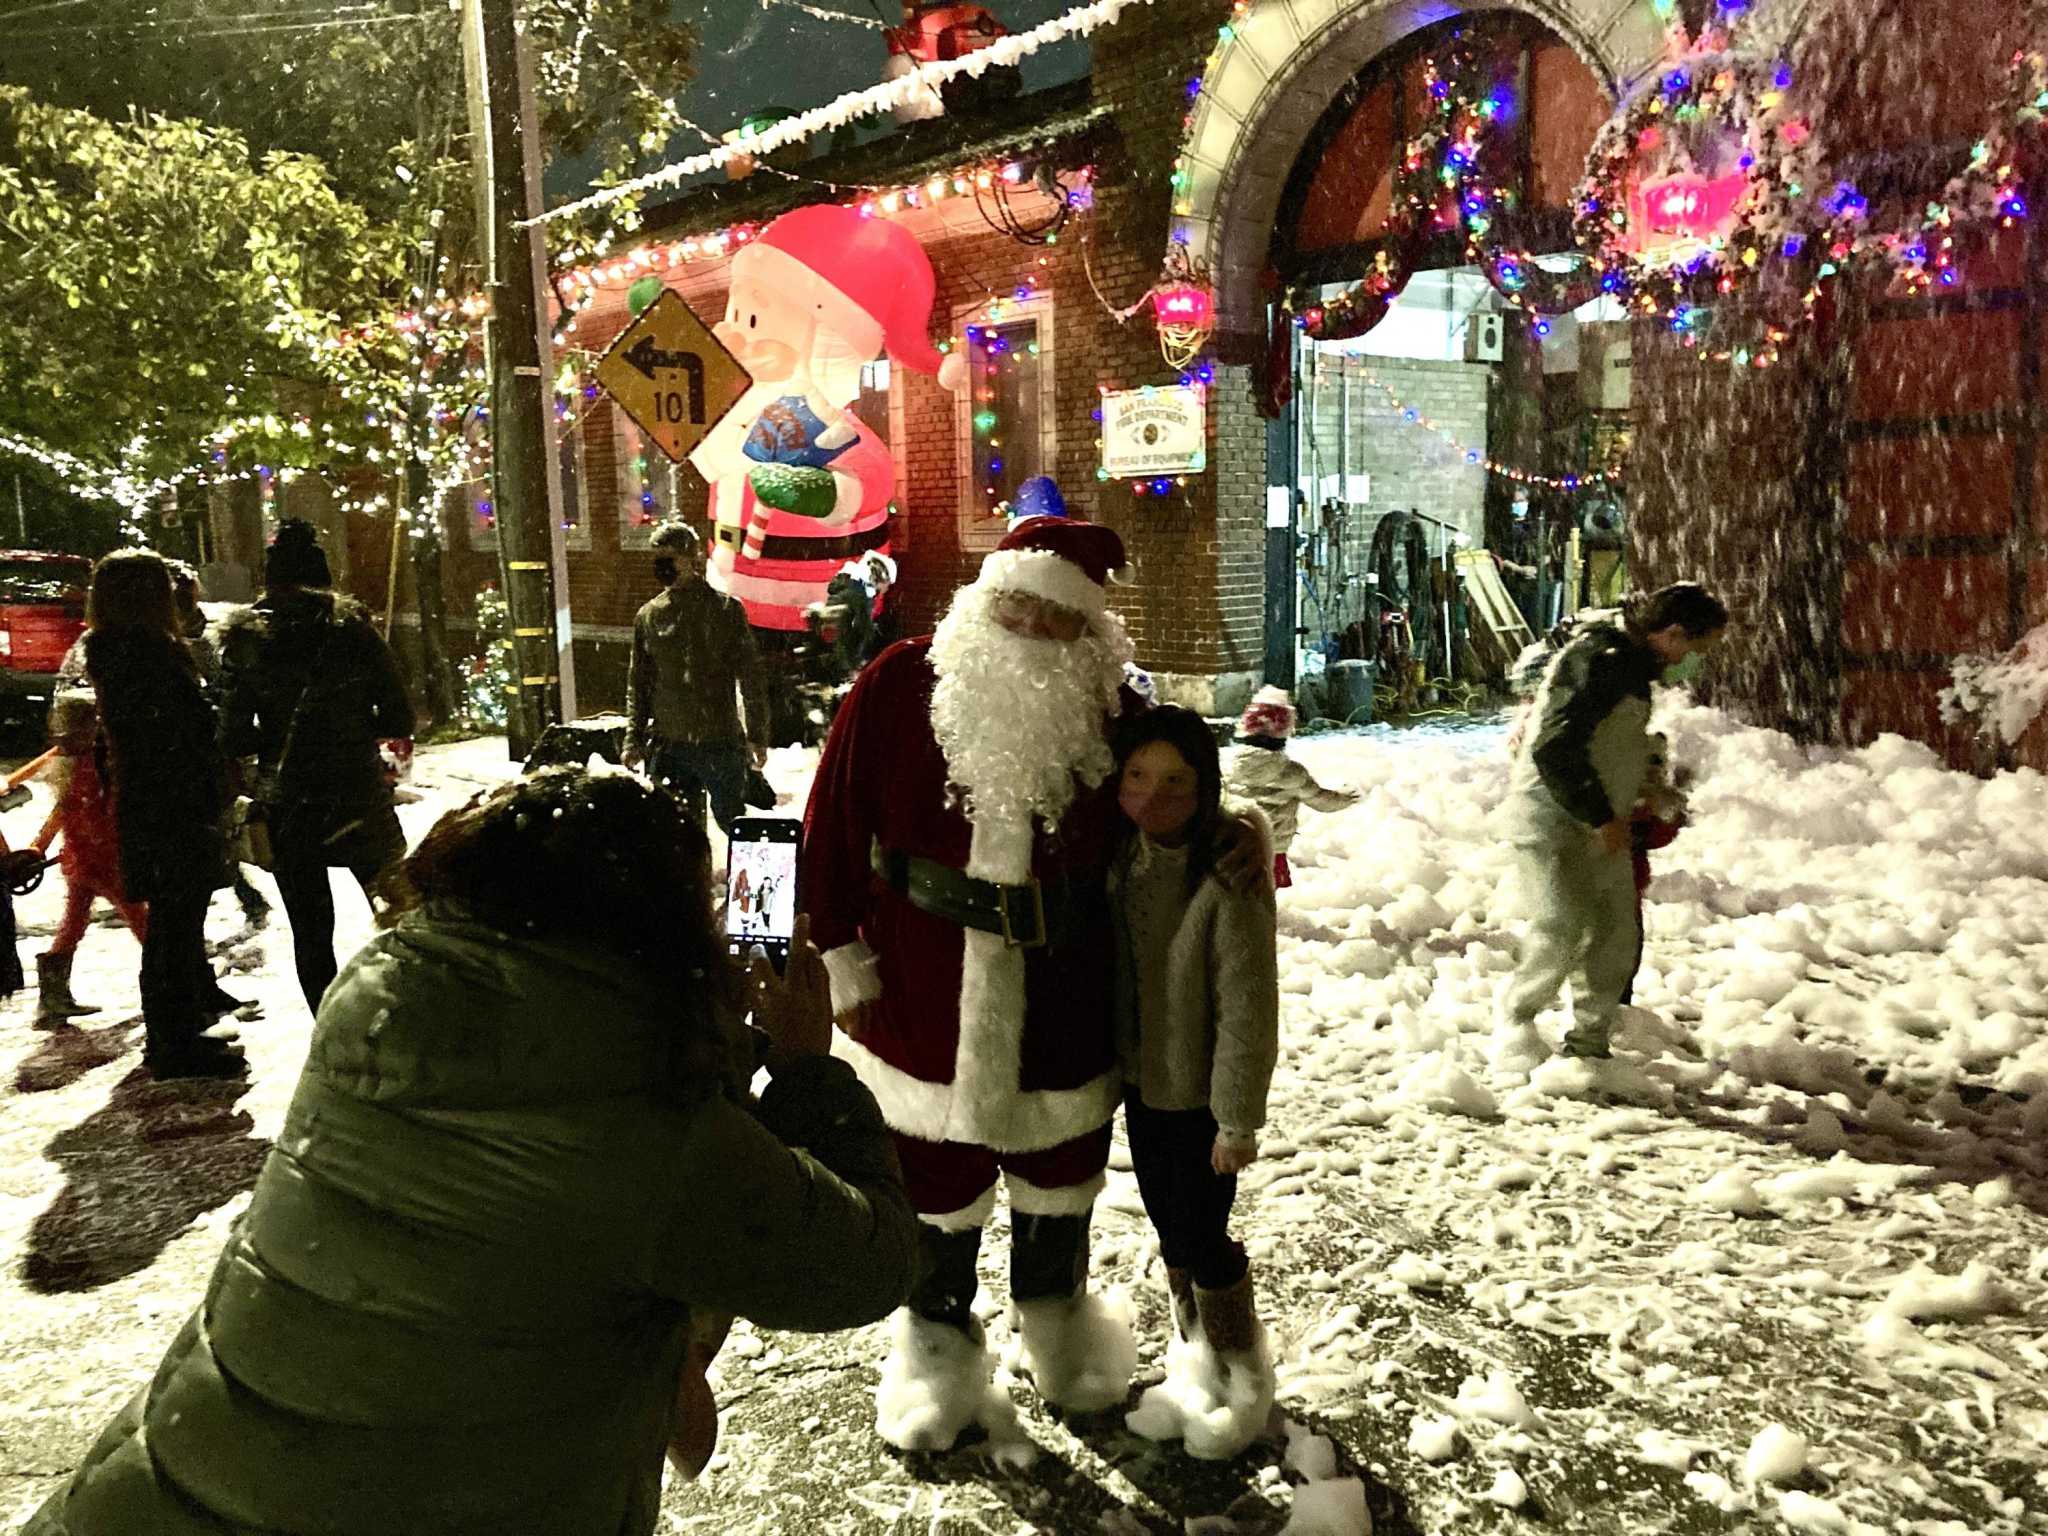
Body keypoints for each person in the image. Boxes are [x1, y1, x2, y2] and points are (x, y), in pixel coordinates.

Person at [22, 767, 919, 1536]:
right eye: (702, 901)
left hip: (157, 1492)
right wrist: (804, 1071)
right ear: (651, 928)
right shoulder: (647, 1123)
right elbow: (864, 1262)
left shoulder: (382, 1012)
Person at [802, 514, 1268, 1452]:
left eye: (1054, 619)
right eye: (1012, 606)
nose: (1029, 630)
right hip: (920, 991)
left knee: (1060, 1177)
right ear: (983, 601)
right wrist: (834, 948)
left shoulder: (1115, 712)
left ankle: (1056, 1327)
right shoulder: (898, 685)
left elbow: (1177, 787)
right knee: (933, 1185)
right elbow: (830, 819)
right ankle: (934, 1349)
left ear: (1089, 632)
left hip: (1067, 998)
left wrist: (1234, 824)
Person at [1109, 707, 1280, 1461]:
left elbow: (1248, 1005)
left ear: (1205, 787)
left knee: (1202, 1235)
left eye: (1176, 781)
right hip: (1144, 1087)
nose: (1153, 797)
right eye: (1137, 776)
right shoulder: (1122, 859)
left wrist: (1237, 1119)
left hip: (1201, 1101)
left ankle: (1240, 1366)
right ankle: (1193, 1355)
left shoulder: (1225, 878)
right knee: (1167, 1225)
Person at [1491, 582, 1728, 1070]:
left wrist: (1647, 786)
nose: (1695, 662)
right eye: (1697, 649)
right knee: (1560, 928)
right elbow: (1555, 748)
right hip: (1555, 815)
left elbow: (1613, 741)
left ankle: (1590, 1044)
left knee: (1614, 934)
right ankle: (1517, 1027)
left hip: (1603, 820)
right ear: (1674, 634)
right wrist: (1598, 815)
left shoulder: (1633, 666)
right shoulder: (1599, 661)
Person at [218, 519, 415, 1015]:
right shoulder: (352, 631)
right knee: (401, 915)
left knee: (311, 932)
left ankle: (330, 1031)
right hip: (357, 795)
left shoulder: (248, 640)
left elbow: (234, 734)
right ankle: (408, 1014)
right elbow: (398, 715)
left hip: (289, 804)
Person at [82, 550, 243, 1080]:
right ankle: (173, 1042)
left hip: (150, 801)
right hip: (172, 802)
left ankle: (177, 1030)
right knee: (176, 923)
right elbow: (180, 732)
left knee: (174, 923)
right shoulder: (146, 655)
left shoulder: (112, 651)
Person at [623, 519, 770, 841]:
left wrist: (757, 735)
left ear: (692, 559)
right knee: (678, 833)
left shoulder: (725, 610)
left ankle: (747, 887)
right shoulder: (649, 616)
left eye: (669, 558)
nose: (662, 566)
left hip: (719, 740)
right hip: (669, 744)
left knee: (734, 824)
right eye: (657, 558)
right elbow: (640, 682)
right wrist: (633, 739)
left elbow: (750, 676)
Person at [27, 689, 146, 1024]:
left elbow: (61, 814)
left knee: (73, 925)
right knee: (141, 920)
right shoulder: (91, 768)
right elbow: (102, 816)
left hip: (79, 860)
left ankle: (52, 996)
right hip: (103, 861)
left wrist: (41, 846)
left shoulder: (67, 764)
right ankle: (172, 981)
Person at [1226, 685, 1359, 889]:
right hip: (1273, 849)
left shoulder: (1227, 769)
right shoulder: (1291, 774)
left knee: (1235, 891)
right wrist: (1344, 798)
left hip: (1233, 845)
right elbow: (1321, 800)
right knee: (1266, 895)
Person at [1622, 732, 1689, 1007]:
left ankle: (1616, 1017)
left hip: (1628, 889)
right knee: (1617, 957)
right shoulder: (1619, 795)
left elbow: (1651, 837)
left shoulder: (1645, 795)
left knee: (1627, 956)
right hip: (1610, 888)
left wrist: (1669, 816)